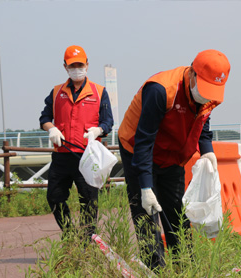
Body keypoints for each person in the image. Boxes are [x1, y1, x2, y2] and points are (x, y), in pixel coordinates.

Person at [118, 49, 231, 270]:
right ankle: (156, 270)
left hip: (173, 156)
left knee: (177, 214)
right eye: (205, 88)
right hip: (138, 150)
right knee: (147, 216)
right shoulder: (161, 90)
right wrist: (145, 186)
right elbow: (144, 139)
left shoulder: (209, 94)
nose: (208, 96)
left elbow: (203, 121)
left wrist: (206, 149)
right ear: (192, 73)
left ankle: (185, 268)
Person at [39, 45, 113, 240]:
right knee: (54, 197)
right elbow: (44, 118)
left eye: (80, 64)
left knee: (89, 201)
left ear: (87, 65)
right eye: (72, 65)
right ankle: (69, 234)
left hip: (86, 156)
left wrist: (98, 130)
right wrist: (51, 128)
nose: (77, 68)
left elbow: (108, 122)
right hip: (61, 156)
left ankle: (86, 242)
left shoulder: (99, 92)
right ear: (65, 67)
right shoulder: (56, 93)